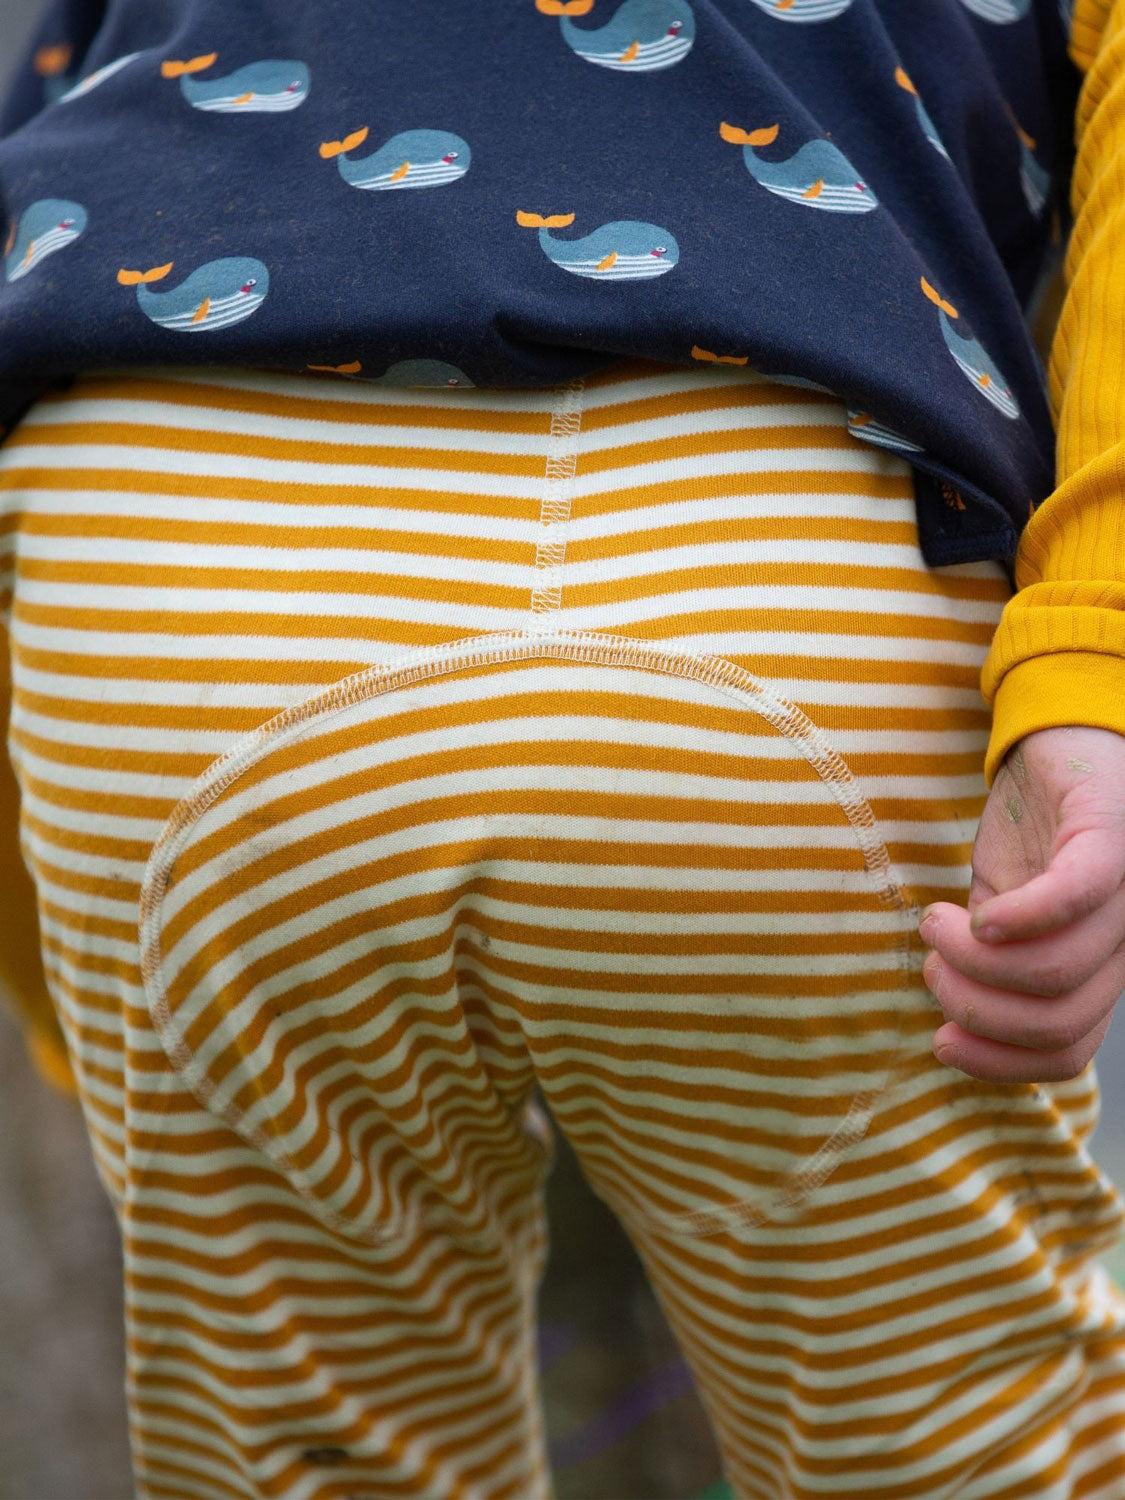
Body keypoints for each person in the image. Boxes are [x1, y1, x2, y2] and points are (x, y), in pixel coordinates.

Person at [2, 1, 1125, 1495]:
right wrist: (1090, 659)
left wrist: (82, 996)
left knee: (319, 1463)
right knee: (961, 1459)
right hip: (774, 510)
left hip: (171, 529)